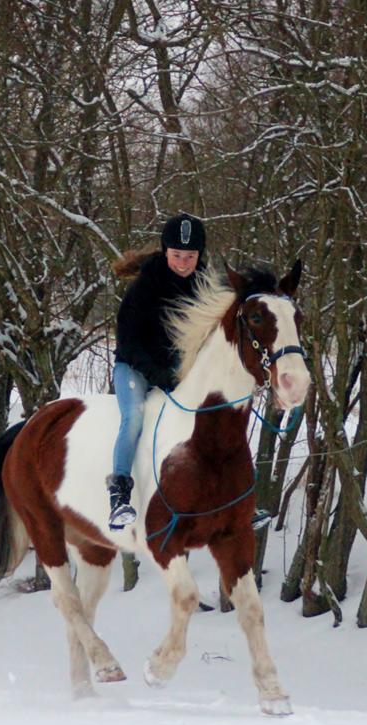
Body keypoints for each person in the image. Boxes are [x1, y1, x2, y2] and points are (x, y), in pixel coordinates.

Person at [107, 213, 207, 530]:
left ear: (199, 256)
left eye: (190, 257)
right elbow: (128, 339)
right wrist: (157, 373)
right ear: (165, 252)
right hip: (134, 365)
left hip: (176, 368)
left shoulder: (204, 287)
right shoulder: (144, 286)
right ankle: (119, 495)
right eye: (177, 255)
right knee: (134, 415)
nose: (182, 262)